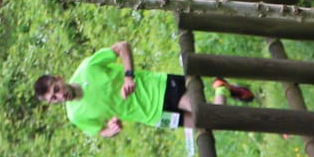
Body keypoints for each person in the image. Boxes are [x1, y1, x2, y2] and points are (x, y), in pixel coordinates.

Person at [34, 40, 253, 139]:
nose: (60, 96)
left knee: (213, 118)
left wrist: (129, 76)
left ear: (59, 79)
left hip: (160, 89)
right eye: (54, 99)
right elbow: (100, 131)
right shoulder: (75, 115)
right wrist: (111, 129)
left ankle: (222, 89)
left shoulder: (87, 68)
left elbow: (122, 46)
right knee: (212, 126)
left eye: (57, 89)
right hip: (153, 116)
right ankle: (222, 89)